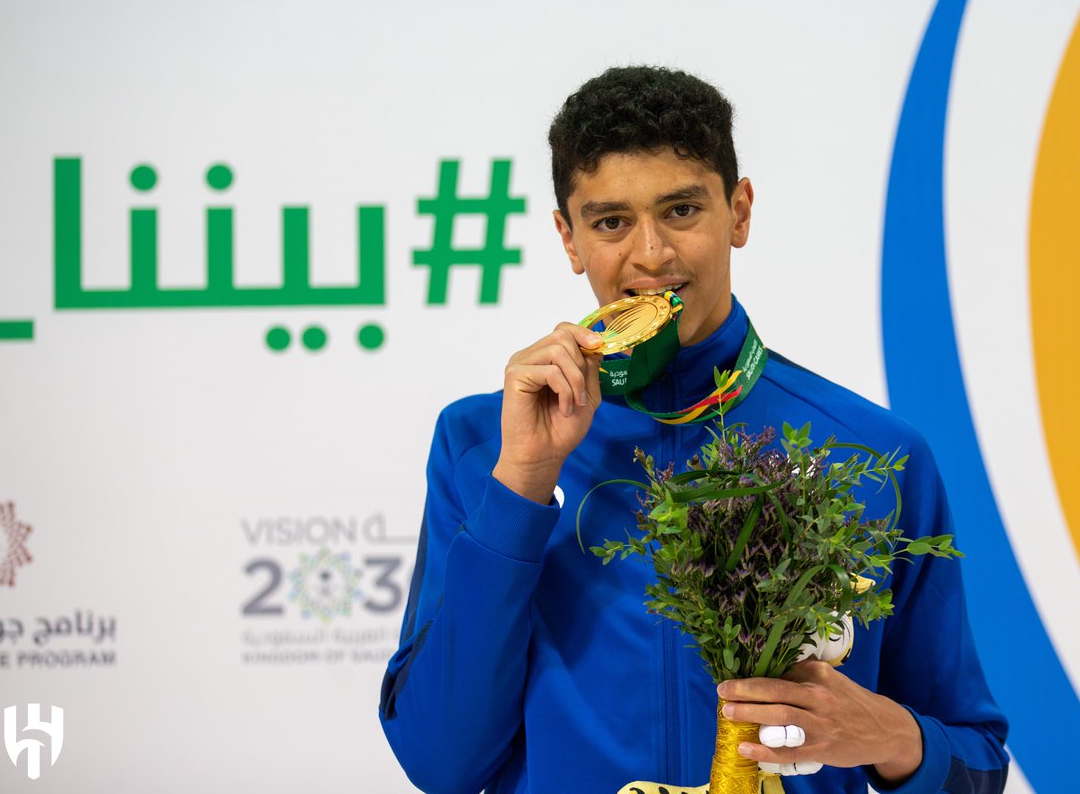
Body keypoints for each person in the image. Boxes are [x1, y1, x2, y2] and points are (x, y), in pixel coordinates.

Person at [379, 66, 1008, 794]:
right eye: (611, 221)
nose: (650, 255)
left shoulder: (875, 454)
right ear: (569, 237)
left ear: (739, 212)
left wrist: (890, 737)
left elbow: (979, 767)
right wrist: (521, 485)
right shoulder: (485, 444)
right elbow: (439, 763)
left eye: (681, 210)